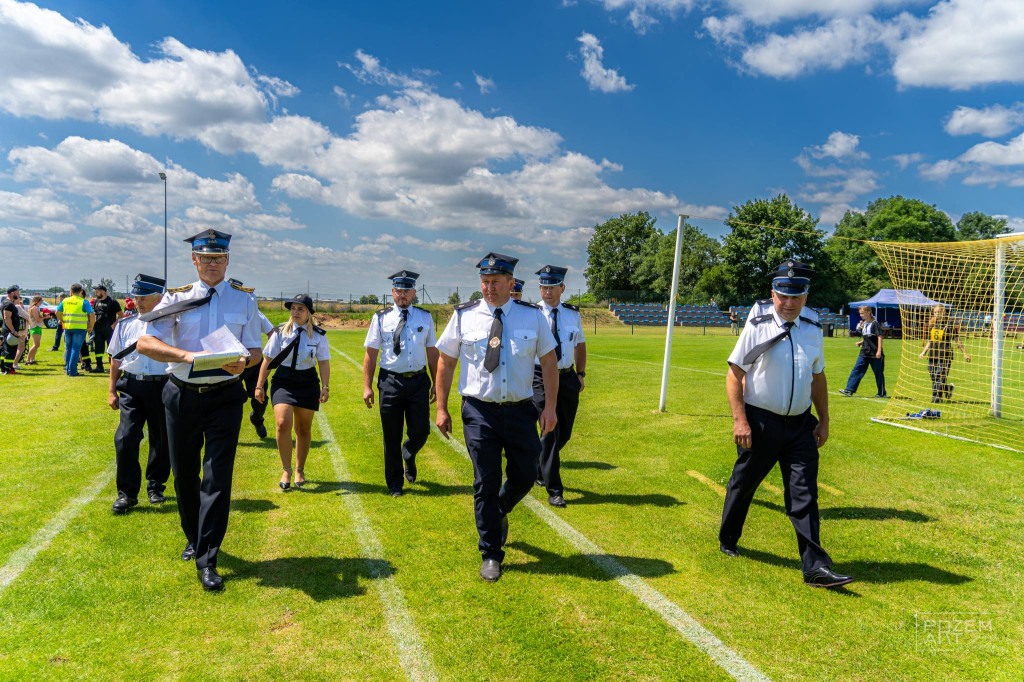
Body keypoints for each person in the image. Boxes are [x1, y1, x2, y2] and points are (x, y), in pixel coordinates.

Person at [136, 228, 264, 592]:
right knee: (184, 475)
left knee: (217, 478)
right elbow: (146, 341)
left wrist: (244, 363)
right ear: (194, 260)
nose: (211, 264)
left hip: (225, 397)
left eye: (218, 258)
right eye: (205, 258)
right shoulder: (176, 298)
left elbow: (255, 350)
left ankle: (209, 558)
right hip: (182, 394)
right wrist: (186, 356)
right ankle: (194, 536)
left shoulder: (244, 301)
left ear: (227, 260)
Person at [720, 260, 853, 589]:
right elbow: (735, 373)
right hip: (760, 423)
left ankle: (815, 567)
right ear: (773, 294)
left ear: (806, 296)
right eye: (782, 296)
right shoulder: (758, 323)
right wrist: (740, 421)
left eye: (796, 297)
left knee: (805, 495)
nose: (789, 303)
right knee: (744, 485)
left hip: (799, 427)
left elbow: (817, 377)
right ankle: (728, 537)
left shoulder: (812, 327)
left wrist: (824, 420)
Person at [435, 252, 559, 582]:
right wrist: (441, 407)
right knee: (485, 481)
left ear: (510, 283)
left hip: (521, 410)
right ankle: (490, 551)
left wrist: (549, 408)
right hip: (479, 411)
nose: (489, 288)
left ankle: (501, 508)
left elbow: (548, 362)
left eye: (496, 282)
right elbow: (446, 362)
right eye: (485, 282)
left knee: (525, 473)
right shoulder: (464, 317)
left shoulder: (532, 317)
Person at [362, 271, 439, 496]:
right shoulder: (381, 318)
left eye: (407, 290)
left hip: (418, 381)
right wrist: (367, 386)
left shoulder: (425, 318)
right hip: (390, 381)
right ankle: (395, 483)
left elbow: (432, 352)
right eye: (399, 290)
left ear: (414, 292)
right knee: (391, 435)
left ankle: (410, 452)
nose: (402, 294)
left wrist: (436, 383)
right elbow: (371, 353)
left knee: (421, 431)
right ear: (392, 292)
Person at [106, 275, 171, 514]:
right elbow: (116, 359)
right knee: (125, 438)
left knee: (161, 439)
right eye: (136, 296)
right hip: (131, 387)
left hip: (163, 386)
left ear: (159, 298)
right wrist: (112, 390)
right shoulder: (126, 325)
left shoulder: (171, 324)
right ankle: (127, 494)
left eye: (144, 297)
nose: (138, 301)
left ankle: (156, 486)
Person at [255, 295, 330, 490]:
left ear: (309, 313)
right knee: (282, 423)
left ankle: (299, 469)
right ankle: (286, 469)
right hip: (284, 381)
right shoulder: (280, 332)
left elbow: (323, 362)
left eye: (301, 309)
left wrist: (325, 386)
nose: (295, 312)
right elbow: (267, 360)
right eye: (293, 308)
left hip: (307, 382)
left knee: (303, 429)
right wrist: (259, 385)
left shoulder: (319, 335)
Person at [532, 265, 587, 508]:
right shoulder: (532, 314)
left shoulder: (573, 315)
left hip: (567, 377)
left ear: (562, 288)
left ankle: (537, 465)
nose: (547, 292)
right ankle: (554, 489)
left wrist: (580, 373)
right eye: (544, 287)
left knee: (564, 433)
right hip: (540, 376)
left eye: (552, 287)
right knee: (550, 431)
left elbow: (580, 345)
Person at [232, 279, 275, 439]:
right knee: (232, 398)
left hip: (254, 362)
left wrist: (270, 354)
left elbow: (272, 334)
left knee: (261, 397)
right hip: (230, 363)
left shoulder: (256, 313)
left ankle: (257, 419)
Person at [919, 304, 970, 403]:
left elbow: (956, 339)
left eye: (939, 312)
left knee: (939, 375)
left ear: (944, 312)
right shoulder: (933, 325)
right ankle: (948, 389)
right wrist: (924, 352)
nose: (937, 314)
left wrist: (965, 353)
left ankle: (936, 398)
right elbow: (931, 340)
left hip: (945, 355)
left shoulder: (949, 324)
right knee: (933, 376)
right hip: (933, 354)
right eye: (935, 312)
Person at [839, 306, 886, 398]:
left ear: (868, 312)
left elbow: (879, 337)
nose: (861, 315)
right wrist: (861, 342)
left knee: (878, 373)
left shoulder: (874, 323)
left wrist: (879, 351)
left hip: (875, 354)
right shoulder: (864, 324)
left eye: (862, 313)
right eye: (860, 313)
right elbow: (867, 337)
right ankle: (849, 390)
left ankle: (882, 393)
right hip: (864, 353)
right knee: (857, 370)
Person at [56, 284, 95, 376]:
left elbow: (57, 312)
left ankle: (68, 368)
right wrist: (91, 327)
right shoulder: (84, 302)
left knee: (68, 348)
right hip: (79, 329)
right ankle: (72, 371)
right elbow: (92, 315)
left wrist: (62, 320)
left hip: (68, 327)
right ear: (81, 291)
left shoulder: (65, 301)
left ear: (71, 291)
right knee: (75, 349)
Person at [86, 284, 122, 374]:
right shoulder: (96, 301)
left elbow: (121, 315)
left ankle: (112, 367)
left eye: (97, 291)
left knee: (111, 348)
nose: (96, 293)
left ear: (103, 292)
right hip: (98, 328)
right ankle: (99, 366)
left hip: (109, 329)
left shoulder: (112, 302)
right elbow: (94, 314)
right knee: (98, 348)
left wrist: (114, 325)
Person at [1, 285, 26, 375]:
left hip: (7, 330)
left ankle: (4, 368)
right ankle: (8, 369)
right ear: (12, 293)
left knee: (5, 350)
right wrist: (13, 330)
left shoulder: (8, 303)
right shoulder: (8, 304)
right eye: (17, 292)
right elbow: (7, 318)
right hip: (10, 332)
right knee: (10, 351)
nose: (19, 294)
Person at [24, 295, 44, 365]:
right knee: (36, 344)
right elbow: (37, 319)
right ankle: (28, 360)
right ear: (37, 301)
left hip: (36, 327)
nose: (42, 302)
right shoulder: (34, 308)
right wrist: (45, 317)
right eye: (41, 301)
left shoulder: (35, 308)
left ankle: (32, 360)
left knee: (36, 345)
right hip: (35, 327)